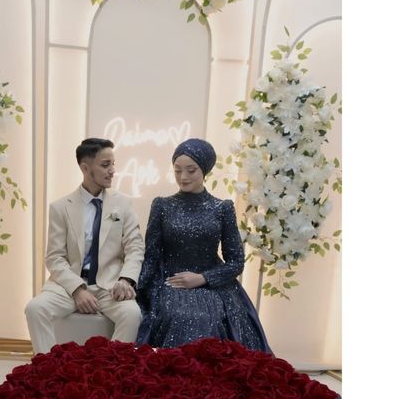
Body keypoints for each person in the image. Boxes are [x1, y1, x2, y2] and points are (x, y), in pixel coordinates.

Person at [135, 138, 270, 351]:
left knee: (209, 318)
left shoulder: (222, 208)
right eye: (177, 170)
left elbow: (236, 262)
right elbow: (151, 256)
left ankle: (206, 372)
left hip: (212, 285)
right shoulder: (161, 205)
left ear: (204, 170)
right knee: (177, 315)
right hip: (171, 282)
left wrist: (203, 278)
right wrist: (137, 289)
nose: (183, 177)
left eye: (191, 170)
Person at [25, 138, 144, 354]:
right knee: (35, 309)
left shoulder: (123, 203)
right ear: (85, 168)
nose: (112, 171)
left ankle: (111, 368)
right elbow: (54, 257)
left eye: (113, 164)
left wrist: (126, 280)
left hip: (110, 286)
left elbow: (135, 248)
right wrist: (77, 290)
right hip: (68, 286)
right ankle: (48, 367)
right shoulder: (60, 207)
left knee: (132, 314)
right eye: (105, 165)